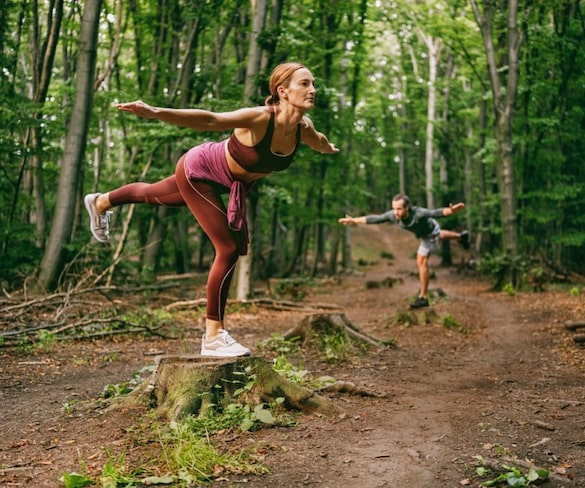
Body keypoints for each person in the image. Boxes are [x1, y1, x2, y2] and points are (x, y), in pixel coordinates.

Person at [84, 62, 339, 357]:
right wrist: (155, 112)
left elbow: (318, 142)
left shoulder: (301, 128)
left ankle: (101, 201)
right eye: (305, 84)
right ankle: (213, 336)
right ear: (282, 91)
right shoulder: (259, 118)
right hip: (200, 169)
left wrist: (328, 147)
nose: (313, 90)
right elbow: (210, 119)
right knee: (227, 248)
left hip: (226, 182)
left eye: (313, 83)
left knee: (152, 194)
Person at [339, 193, 469, 309]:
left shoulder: (418, 213)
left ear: (407, 208)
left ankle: (423, 298)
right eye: (394, 208)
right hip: (429, 232)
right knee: (440, 234)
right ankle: (461, 237)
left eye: (399, 209)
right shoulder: (393, 215)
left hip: (430, 234)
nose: (396, 212)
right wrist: (353, 220)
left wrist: (451, 211)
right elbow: (376, 218)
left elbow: (436, 213)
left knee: (421, 260)